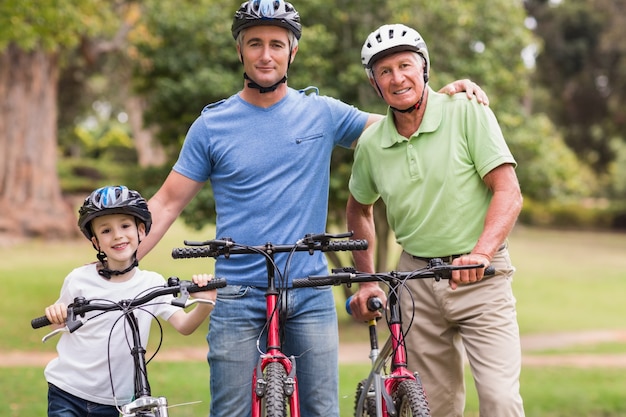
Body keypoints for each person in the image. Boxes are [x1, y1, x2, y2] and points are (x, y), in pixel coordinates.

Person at [136, 2, 489, 416]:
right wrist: (114, 267)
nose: (265, 54)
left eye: (276, 44)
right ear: (240, 52)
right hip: (237, 292)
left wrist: (443, 99)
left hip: (310, 291)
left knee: (322, 409)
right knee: (229, 410)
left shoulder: (321, 113)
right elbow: (165, 202)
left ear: (292, 52)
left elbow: (399, 123)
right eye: (255, 44)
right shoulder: (212, 125)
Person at [346, 23, 525, 417]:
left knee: (500, 399)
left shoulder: (466, 110)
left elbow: (508, 192)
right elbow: (359, 208)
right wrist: (368, 280)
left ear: (424, 68)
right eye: (385, 71)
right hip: (416, 284)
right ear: (375, 84)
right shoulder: (373, 144)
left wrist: (480, 254)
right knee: (435, 407)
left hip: (482, 277)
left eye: (405, 65)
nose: (397, 78)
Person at [43, 185, 217, 417]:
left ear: (141, 231)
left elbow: (184, 326)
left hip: (117, 401)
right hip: (68, 391)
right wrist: (56, 314)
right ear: (96, 242)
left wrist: (205, 302)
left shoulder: (152, 283)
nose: (117, 235)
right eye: (106, 231)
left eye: (125, 226)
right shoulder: (79, 279)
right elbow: (60, 323)